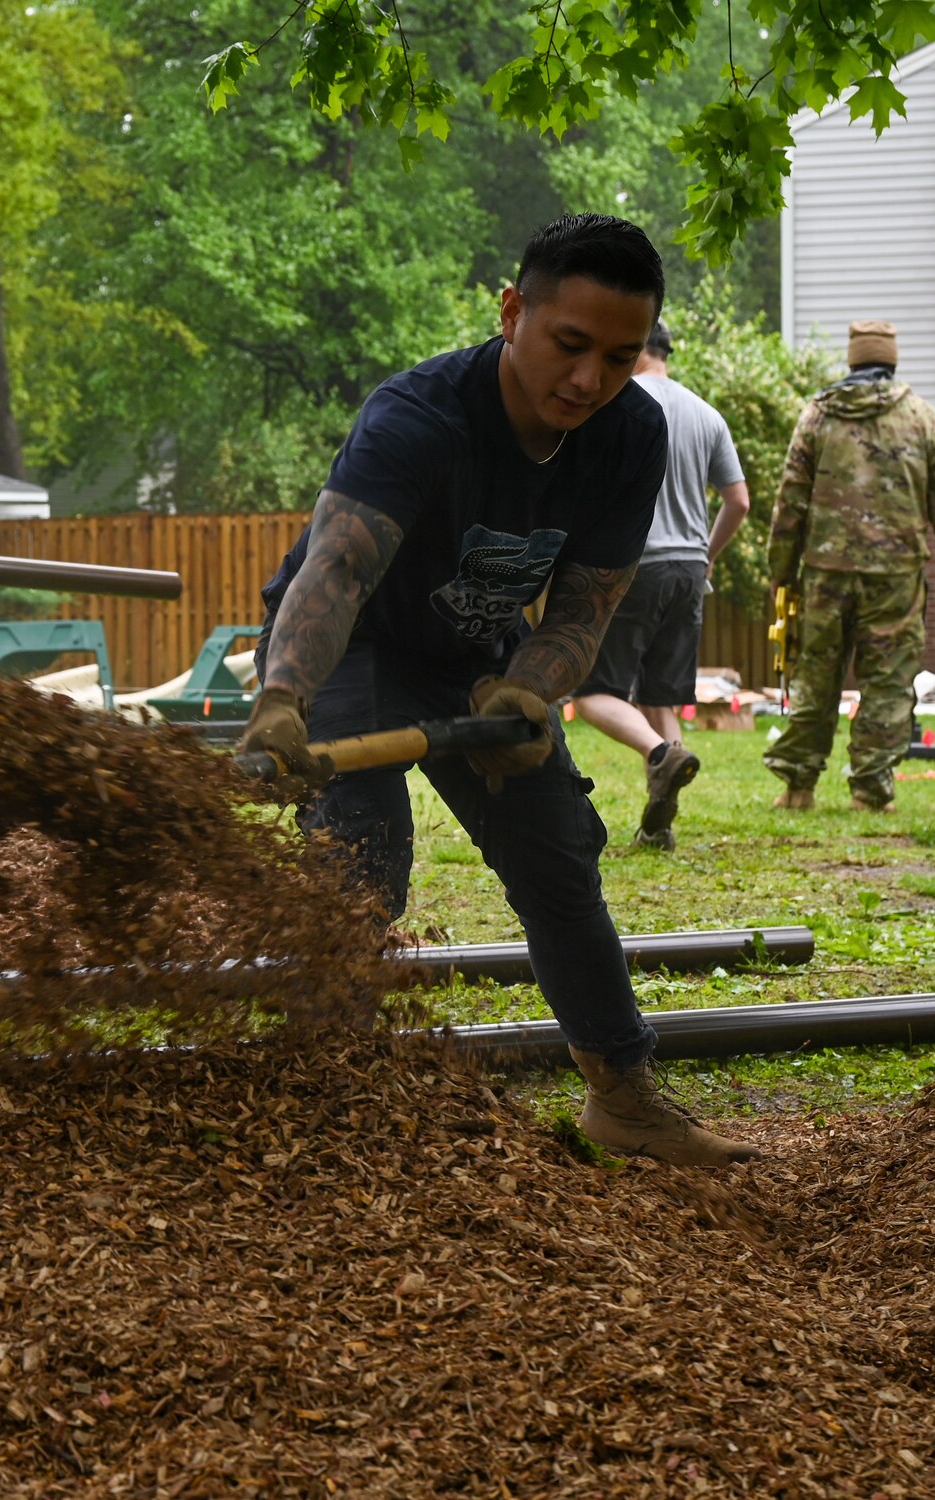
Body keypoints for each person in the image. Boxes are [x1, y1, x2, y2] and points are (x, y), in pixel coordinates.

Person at [241, 214, 757, 1167]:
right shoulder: (421, 414)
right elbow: (337, 572)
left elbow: (587, 605)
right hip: (351, 645)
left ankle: (623, 1095)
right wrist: (284, 703)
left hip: (476, 651)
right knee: (361, 863)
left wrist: (530, 693)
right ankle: (313, 1086)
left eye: (619, 355)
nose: (590, 379)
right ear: (513, 311)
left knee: (558, 852)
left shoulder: (632, 432)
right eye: (570, 345)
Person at [764, 320, 935, 812]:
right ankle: (871, 792)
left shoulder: (818, 416)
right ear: (891, 361)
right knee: (887, 680)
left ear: (852, 362)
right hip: (896, 575)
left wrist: (781, 569)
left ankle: (798, 787)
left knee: (815, 672)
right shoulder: (925, 420)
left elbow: (790, 500)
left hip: (825, 570)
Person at [572, 319, 750, 850]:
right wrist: (707, 556)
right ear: (668, 351)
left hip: (635, 564)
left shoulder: (617, 405)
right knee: (659, 697)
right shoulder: (706, 414)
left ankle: (659, 756)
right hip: (688, 571)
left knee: (592, 695)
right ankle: (660, 825)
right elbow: (737, 500)